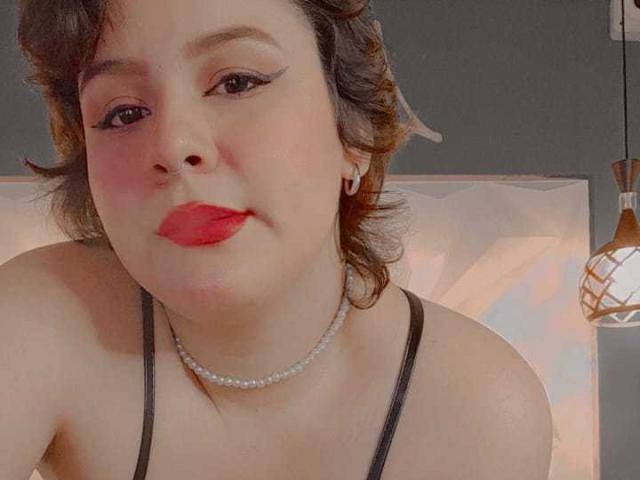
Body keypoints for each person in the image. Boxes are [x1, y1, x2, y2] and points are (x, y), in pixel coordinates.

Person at [1, 0, 553, 479]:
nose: (172, 144)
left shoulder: (479, 408)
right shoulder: (41, 319)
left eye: (237, 82)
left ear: (354, 133)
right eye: (124, 113)